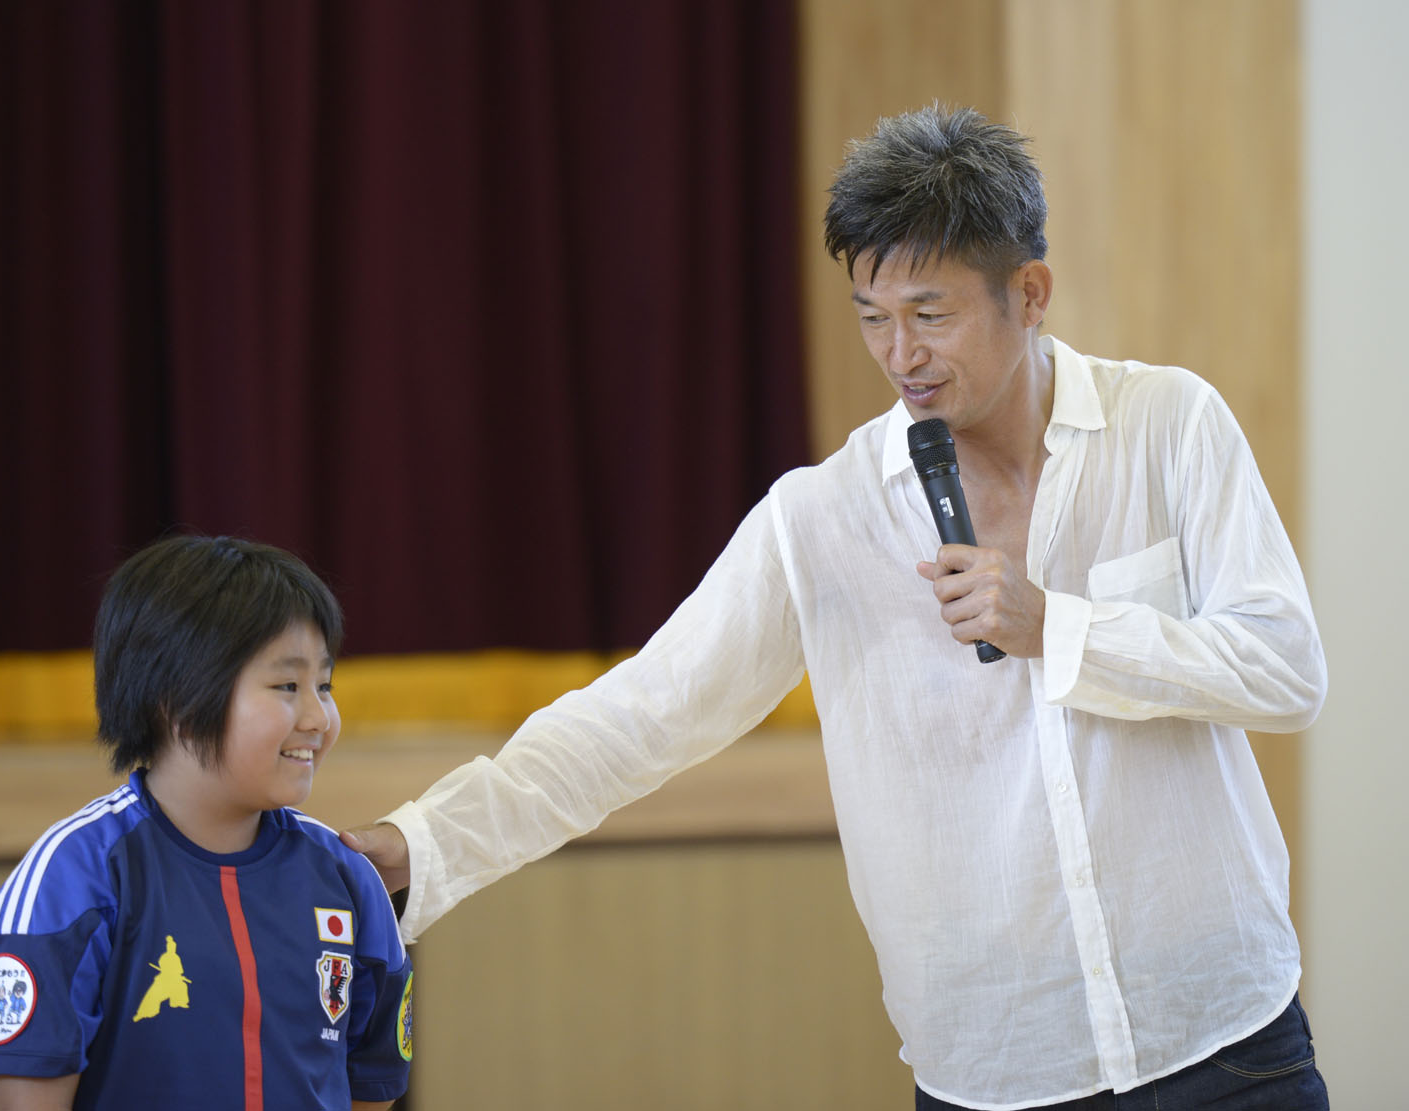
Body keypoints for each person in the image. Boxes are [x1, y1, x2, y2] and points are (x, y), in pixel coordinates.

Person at [343, 104, 1328, 1109]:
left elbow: (1283, 663)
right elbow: (639, 715)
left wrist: (1057, 627)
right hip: (999, 1070)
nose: (899, 354)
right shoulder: (820, 518)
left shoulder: (1166, 425)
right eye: (871, 315)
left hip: (1226, 1035)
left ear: (1027, 293)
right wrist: (425, 844)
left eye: (929, 314)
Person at [0, 535, 413, 1110]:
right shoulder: (75, 877)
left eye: (324, 685)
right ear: (175, 697)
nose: (318, 717)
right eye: (287, 686)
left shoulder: (348, 879)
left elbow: (368, 1090)